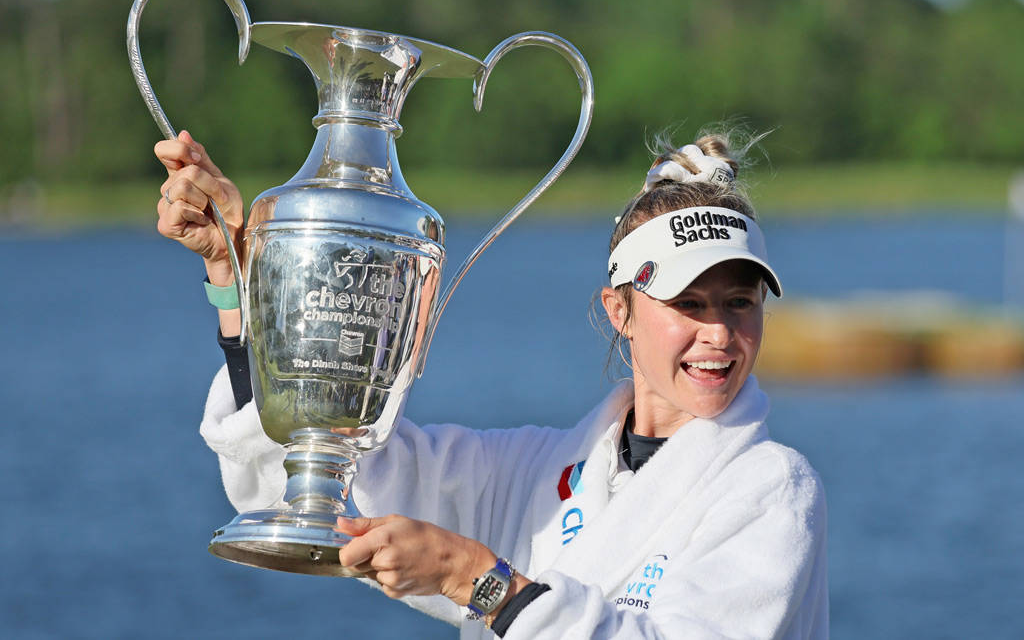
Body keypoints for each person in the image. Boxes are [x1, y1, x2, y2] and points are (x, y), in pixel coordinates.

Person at [156, 128, 829, 639]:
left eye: (739, 302)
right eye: (689, 303)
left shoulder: (771, 487)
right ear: (618, 309)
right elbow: (324, 479)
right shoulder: (539, 470)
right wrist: (238, 280)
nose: (718, 333)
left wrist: (477, 579)